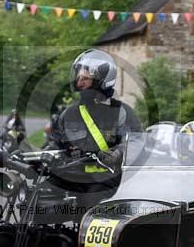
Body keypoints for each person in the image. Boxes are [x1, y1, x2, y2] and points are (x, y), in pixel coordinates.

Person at [49, 49, 142, 186]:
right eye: (79, 78)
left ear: (103, 81)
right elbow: (56, 143)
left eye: (85, 79)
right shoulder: (68, 114)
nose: (80, 83)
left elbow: (136, 142)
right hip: (73, 176)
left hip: (108, 179)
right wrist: (44, 154)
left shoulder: (121, 112)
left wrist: (119, 153)